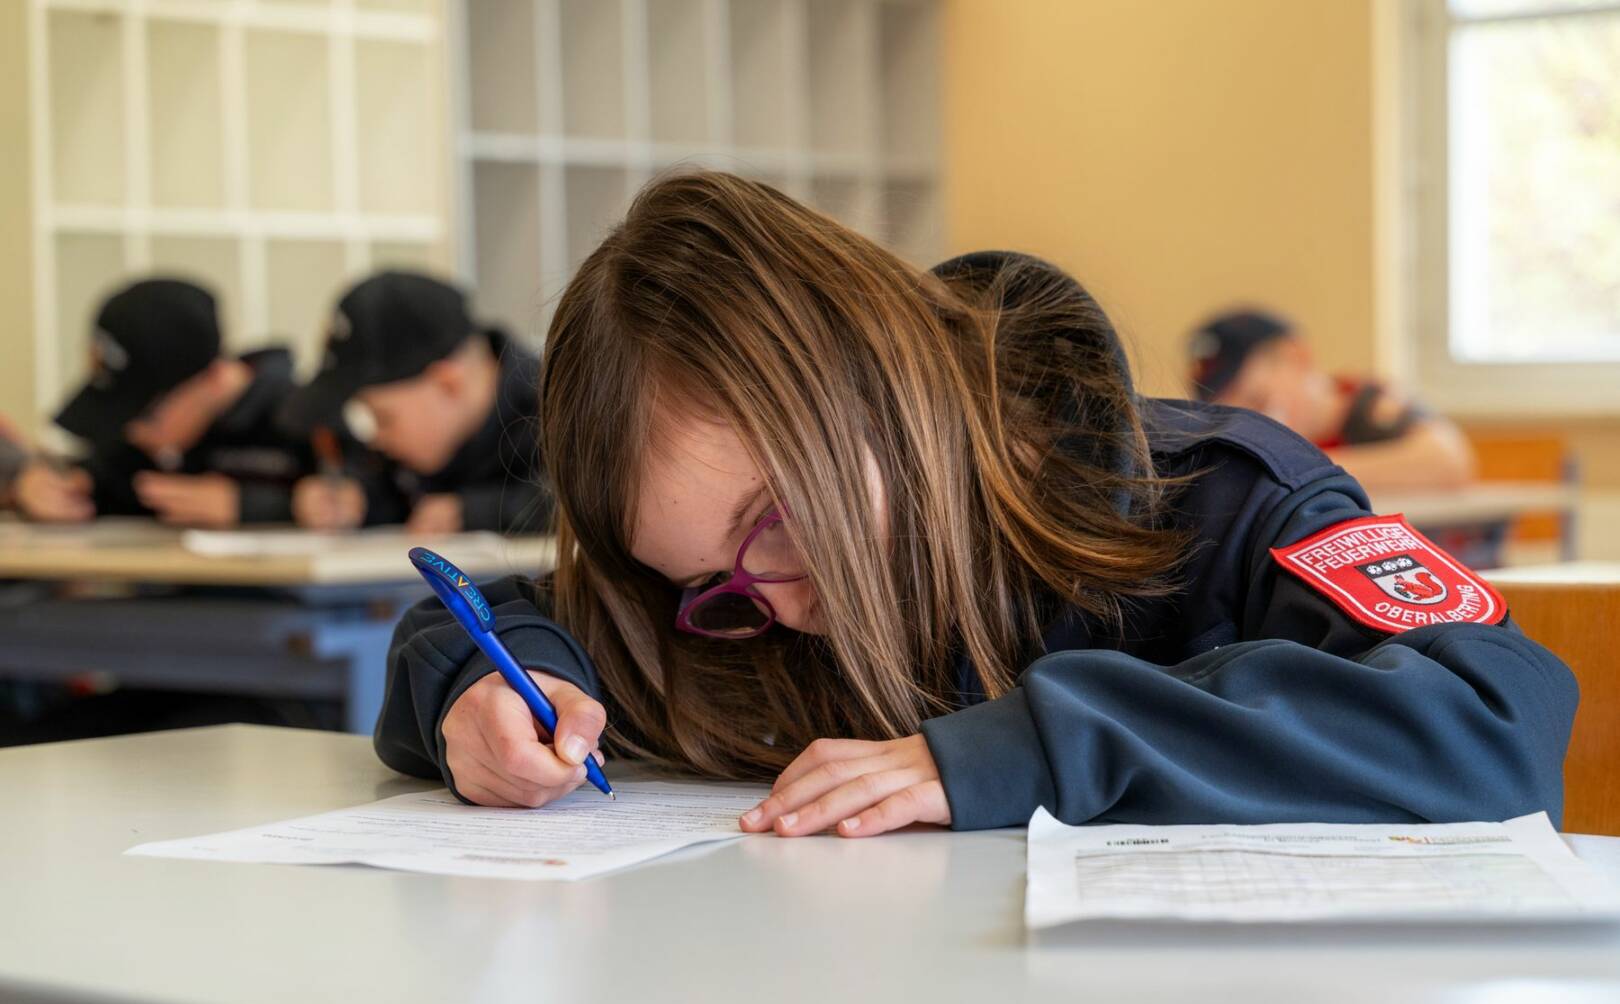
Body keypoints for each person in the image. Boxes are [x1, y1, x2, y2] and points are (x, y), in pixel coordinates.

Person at [372, 171, 1574, 837]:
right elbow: (507, 615)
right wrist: (479, 690)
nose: (781, 609)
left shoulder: (1223, 498)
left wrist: (1030, 748)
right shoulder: (745, 601)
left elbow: (1488, 714)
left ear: (882, 388)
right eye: (708, 585)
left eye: (779, 520)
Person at [12, 279, 307, 525]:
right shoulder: (144, 446)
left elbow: (347, 503)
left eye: (146, 416)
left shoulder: (301, 422)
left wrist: (263, 510)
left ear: (213, 380)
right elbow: (100, 477)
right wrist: (40, 488)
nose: (133, 432)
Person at [280, 272, 550, 535]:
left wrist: (478, 513)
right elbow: (390, 489)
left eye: (383, 418)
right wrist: (355, 501)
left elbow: (578, 502)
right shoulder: (420, 450)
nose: (376, 439)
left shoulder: (569, 420)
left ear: (448, 382)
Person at [1187, 310, 1477, 490]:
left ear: (1295, 356)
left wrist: (1292, 468)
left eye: (1257, 399)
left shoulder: (1367, 405)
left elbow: (1449, 460)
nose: (1249, 420)